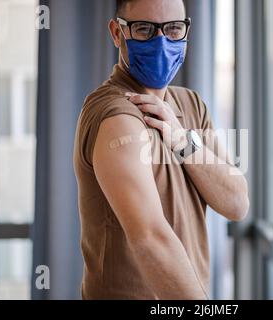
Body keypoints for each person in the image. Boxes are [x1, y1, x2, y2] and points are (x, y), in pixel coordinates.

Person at [73, 0, 249, 300]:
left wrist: (182, 141)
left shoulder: (191, 105)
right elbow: (150, 238)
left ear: (186, 30)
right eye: (144, 30)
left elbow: (236, 203)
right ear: (117, 33)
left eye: (174, 29)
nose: (162, 42)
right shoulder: (116, 116)